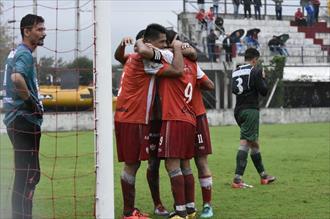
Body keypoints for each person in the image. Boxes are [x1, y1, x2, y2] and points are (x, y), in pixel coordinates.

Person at [114, 23, 184, 219]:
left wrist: (123, 45)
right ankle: (129, 212)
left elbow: (119, 57)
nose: (165, 45)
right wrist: (178, 47)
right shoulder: (148, 58)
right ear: (149, 43)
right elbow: (178, 70)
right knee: (132, 164)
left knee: (136, 164)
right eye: (162, 42)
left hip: (128, 116)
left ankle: (135, 209)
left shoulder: (134, 57)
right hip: (133, 117)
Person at [2, 14, 46, 219]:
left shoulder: (14, 53)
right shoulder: (25, 54)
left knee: (24, 173)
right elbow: (17, 78)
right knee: (30, 174)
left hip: (15, 119)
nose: (43, 33)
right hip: (24, 119)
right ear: (26, 31)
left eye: (43, 29)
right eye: (39, 29)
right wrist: (32, 103)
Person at [231, 48, 276, 188]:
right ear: (255, 59)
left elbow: (234, 89)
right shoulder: (255, 70)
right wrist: (262, 77)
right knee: (245, 142)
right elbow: (264, 91)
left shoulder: (236, 71)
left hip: (238, 110)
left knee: (254, 142)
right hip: (250, 110)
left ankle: (264, 176)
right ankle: (237, 179)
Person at [190, 67, 215, 218]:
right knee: (181, 163)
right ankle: (188, 205)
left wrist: (197, 76)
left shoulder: (191, 64)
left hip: (197, 116)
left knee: (201, 161)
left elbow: (210, 85)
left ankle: (207, 205)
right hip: (176, 118)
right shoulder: (162, 62)